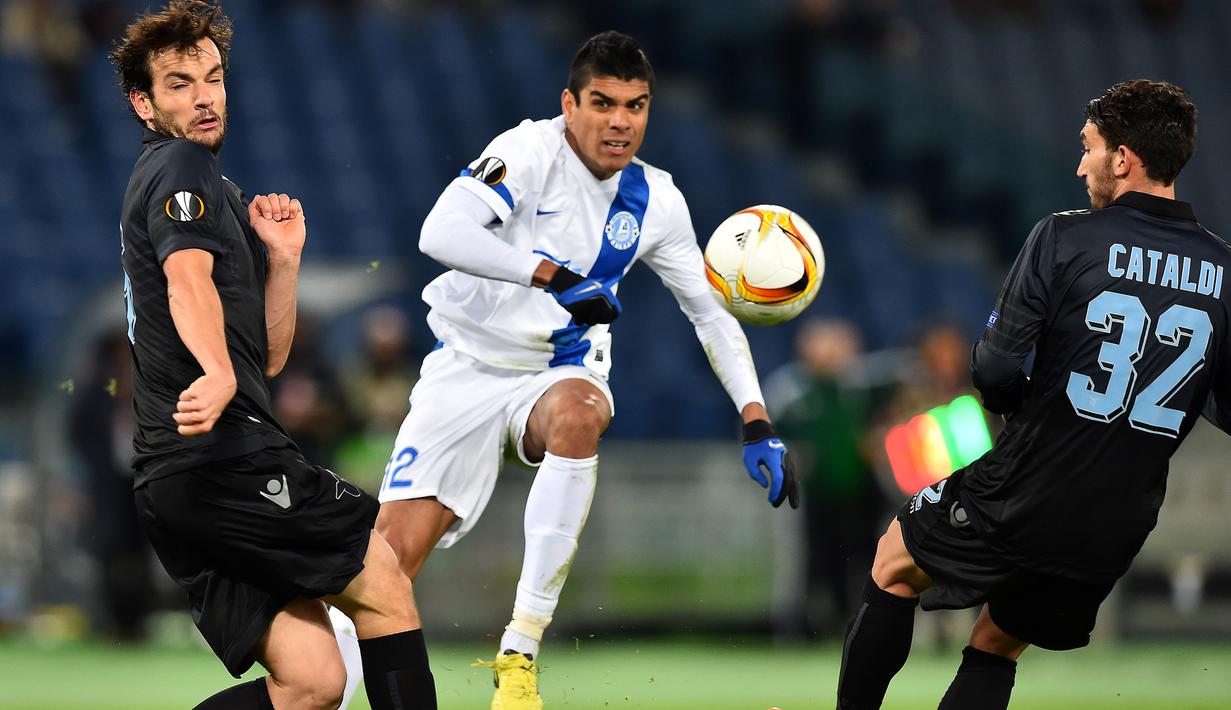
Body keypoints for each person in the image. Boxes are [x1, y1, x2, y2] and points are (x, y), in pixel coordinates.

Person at [333, 30, 798, 710]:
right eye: (602, 103)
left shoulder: (657, 202)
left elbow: (710, 313)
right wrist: (550, 275)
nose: (619, 122)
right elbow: (439, 232)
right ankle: (325, 695)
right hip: (463, 369)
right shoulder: (525, 152)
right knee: (384, 567)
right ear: (568, 104)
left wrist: (755, 418)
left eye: (635, 106)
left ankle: (519, 648)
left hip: (557, 372)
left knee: (581, 415)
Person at [834, 79, 1225, 710]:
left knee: (892, 564)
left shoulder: (1066, 237)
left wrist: (1020, 405)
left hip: (1027, 485)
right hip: (1119, 520)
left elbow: (993, 370)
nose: (1080, 165)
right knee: (996, 643)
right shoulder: (1223, 270)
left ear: (1122, 159)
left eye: (1089, 148)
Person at [111, 3, 436, 708]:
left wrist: (282, 263)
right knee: (384, 590)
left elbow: (270, 361)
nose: (203, 96)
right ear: (143, 103)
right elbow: (185, 278)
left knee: (312, 683)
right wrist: (219, 373)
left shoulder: (207, 186)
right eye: (177, 83)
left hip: (178, 480)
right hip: (222, 460)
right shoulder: (180, 164)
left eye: (213, 77)